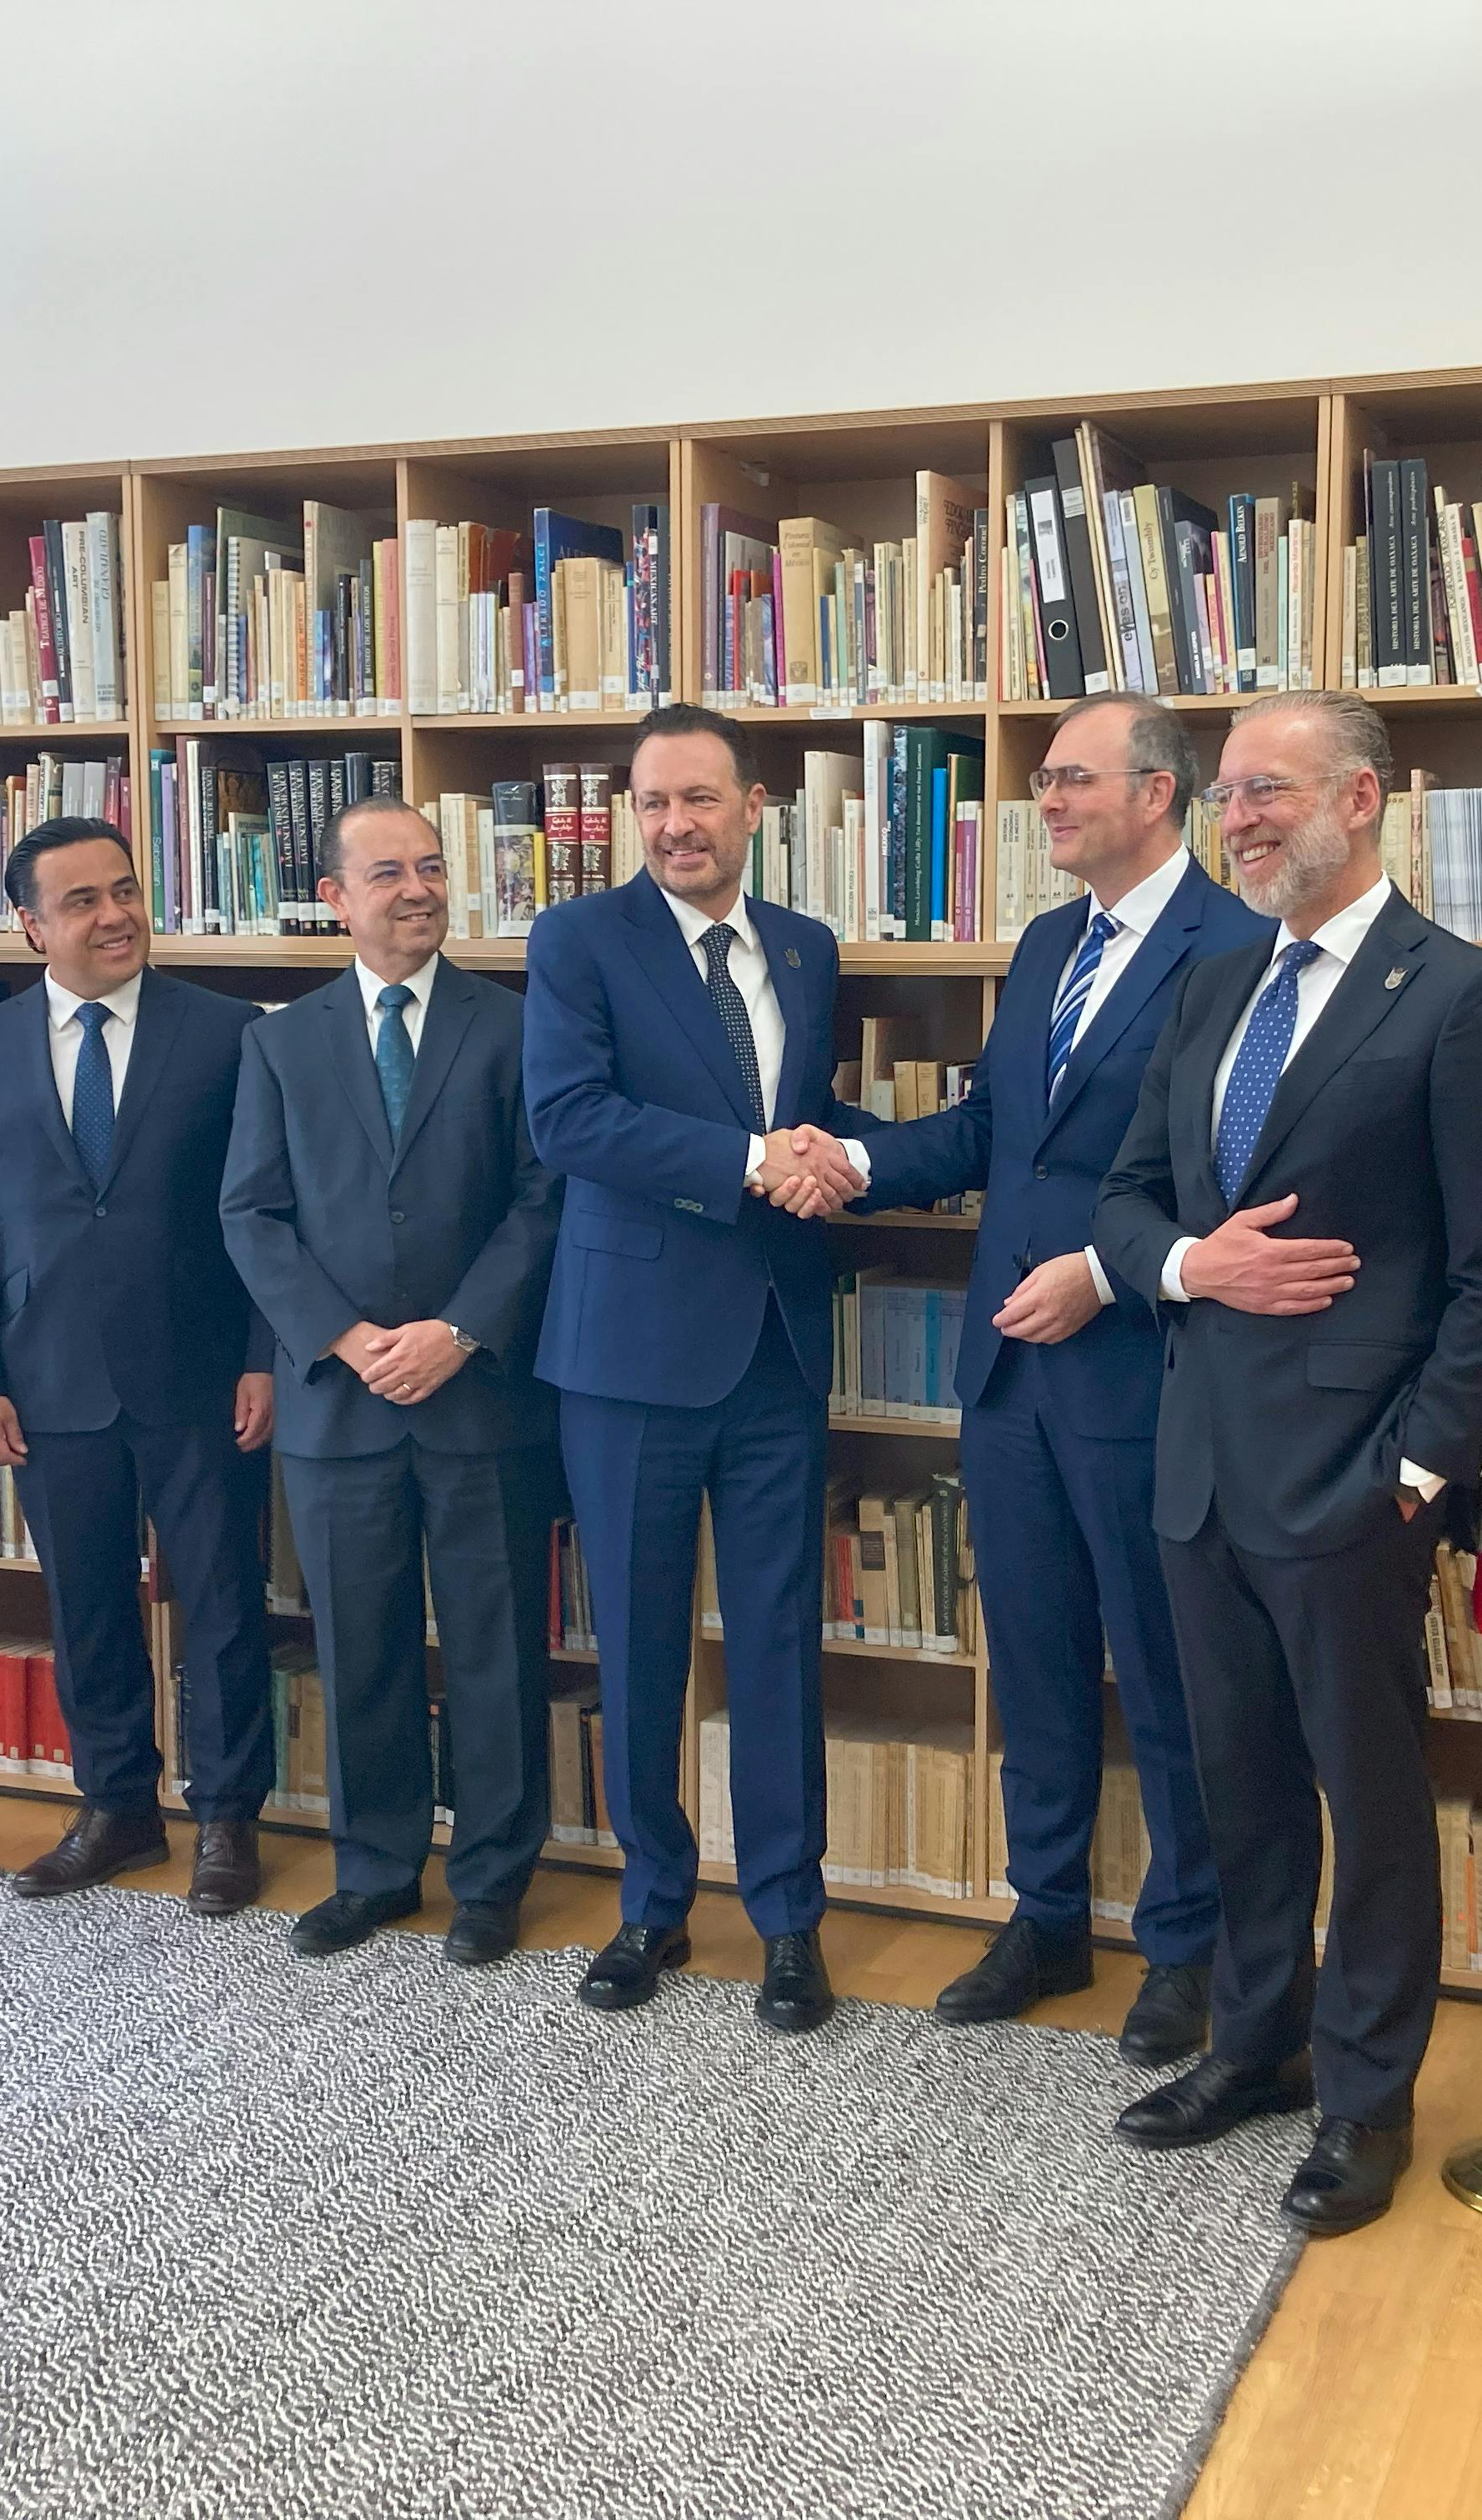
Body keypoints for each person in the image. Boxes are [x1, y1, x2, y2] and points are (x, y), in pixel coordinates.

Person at [1089, 692, 1482, 2236]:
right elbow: (1130, 1197)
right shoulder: (1214, 986)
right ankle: (1259, 2048)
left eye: (1268, 790)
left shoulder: (1463, 997)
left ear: (1365, 797)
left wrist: (1420, 1473)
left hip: (1354, 1479)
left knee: (1368, 1792)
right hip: (1202, 1466)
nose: (1241, 820)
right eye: (1225, 797)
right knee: (1241, 1789)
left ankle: (1365, 2099)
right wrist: (1185, 1269)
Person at [821, 694, 1267, 2060]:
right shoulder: (1051, 944)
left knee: (1170, 1672)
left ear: (1158, 794)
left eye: (1072, 777)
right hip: (1007, 1381)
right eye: (1044, 780)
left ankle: (1188, 1947)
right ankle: (1049, 1914)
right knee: (1038, 1664)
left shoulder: (1241, 949)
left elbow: (1236, 1173)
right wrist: (847, 1163)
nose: (1046, 800)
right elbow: (990, 1133)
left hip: (1147, 1373)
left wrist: (1109, 1268)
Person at [521, 702, 880, 2033]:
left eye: (702, 801)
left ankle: (790, 1920)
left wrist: (871, 1154)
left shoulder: (804, 947)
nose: (678, 826)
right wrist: (753, 1163)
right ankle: (652, 1906)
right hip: (627, 1359)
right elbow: (570, 1120)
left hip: (778, 1350)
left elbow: (807, 1120)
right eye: (655, 803)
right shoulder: (578, 940)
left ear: (752, 809)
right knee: (642, 1645)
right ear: (633, 814)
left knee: (783, 1644)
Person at [221, 799, 563, 1967]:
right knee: (358, 1644)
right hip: (338, 1402)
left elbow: (542, 1199)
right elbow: (251, 1215)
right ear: (336, 897)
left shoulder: (517, 1027)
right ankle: (375, 1870)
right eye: (387, 874)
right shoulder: (279, 1040)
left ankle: (492, 1877)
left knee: (494, 1644)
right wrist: (348, 1336)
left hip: (482, 1398)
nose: (416, 890)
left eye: (431, 868)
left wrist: (460, 1330)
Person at [0, 815, 278, 1917]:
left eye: (125, 890)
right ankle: (116, 1806)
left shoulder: (230, 1033)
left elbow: (266, 1208)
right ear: (31, 925)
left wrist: (264, 1355)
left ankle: (226, 1817)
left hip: (203, 1370)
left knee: (222, 1602)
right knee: (85, 1607)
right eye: (82, 901)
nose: (116, 914)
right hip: (45, 1378)